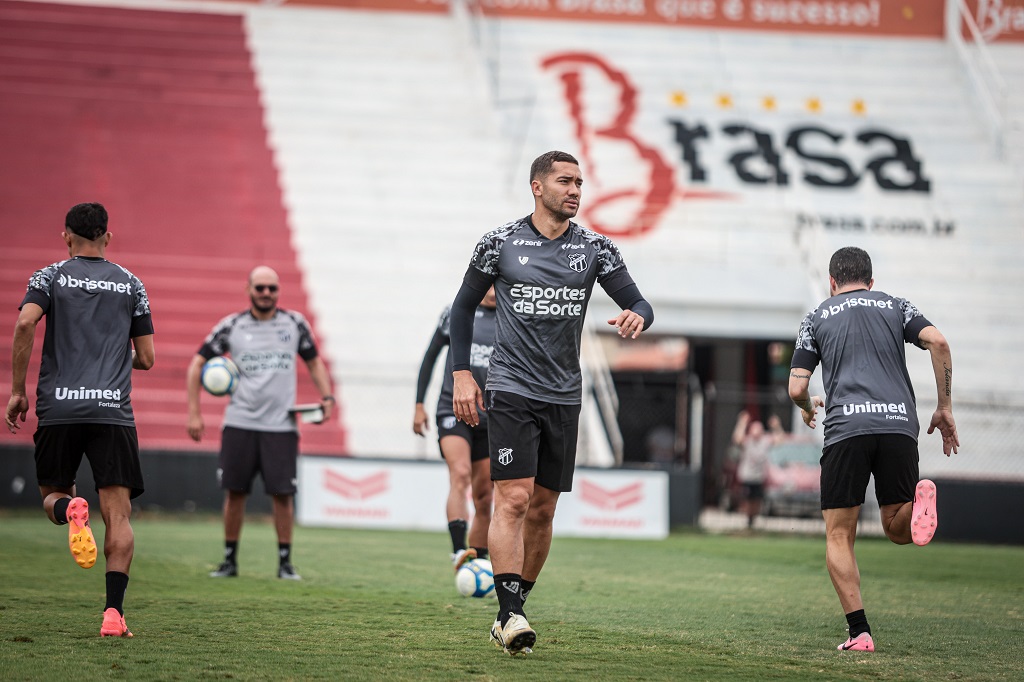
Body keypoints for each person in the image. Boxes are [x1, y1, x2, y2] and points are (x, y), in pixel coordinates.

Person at [449, 150, 654, 655]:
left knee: (543, 510)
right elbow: (462, 307)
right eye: (565, 181)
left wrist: (638, 315)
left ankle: (512, 607)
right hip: (510, 388)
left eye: (579, 182)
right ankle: (510, 614)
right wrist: (462, 374)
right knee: (514, 499)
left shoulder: (595, 247)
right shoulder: (499, 242)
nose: (575, 190)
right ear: (537, 187)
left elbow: (638, 301)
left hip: (563, 394)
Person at [788, 246, 959, 653]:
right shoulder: (896, 306)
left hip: (847, 429)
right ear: (871, 281)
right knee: (897, 528)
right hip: (898, 424)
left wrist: (807, 405)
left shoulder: (816, 317)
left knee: (839, 534)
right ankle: (917, 504)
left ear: (832, 282)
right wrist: (944, 407)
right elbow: (938, 342)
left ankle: (860, 633)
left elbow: (796, 387)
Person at [5, 202, 154, 638]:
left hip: (59, 408)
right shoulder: (131, 283)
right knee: (118, 515)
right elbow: (146, 358)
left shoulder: (48, 277)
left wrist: (18, 391)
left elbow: (25, 324)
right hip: (112, 411)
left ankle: (68, 508)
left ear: (66, 236)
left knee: (52, 495)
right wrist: (114, 356)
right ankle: (113, 615)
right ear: (107, 237)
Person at [186, 266, 334, 581]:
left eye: (272, 288)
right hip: (240, 422)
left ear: (278, 291)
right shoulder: (232, 326)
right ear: (249, 290)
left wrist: (327, 397)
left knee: (282, 495)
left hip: (281, 426)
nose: (266, 293)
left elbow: (313, 362)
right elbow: (197, 364)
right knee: (235, 493)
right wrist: (195, 412)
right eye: (260, 288)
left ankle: (285, 563)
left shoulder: (294, 324)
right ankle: (229, 561)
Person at [413, 287, 497, 571]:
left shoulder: (512, 316)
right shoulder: (455, 312)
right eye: (488, 285)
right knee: (460, 473)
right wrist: (419, 404)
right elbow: (430, 357)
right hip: (453, 410)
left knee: (484, 495)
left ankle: (479, 562)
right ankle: (459, 551)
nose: (493, 292)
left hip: (491, 416)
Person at [729, 410, 773, 528]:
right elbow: (737, 438)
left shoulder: (764, 442)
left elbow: (780, 439)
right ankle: (747, 520)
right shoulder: (748, 441)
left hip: (759, 477)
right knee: (747, 499)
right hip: (747, 476)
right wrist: (742, 423)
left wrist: (776, 426)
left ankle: (753, 520)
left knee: (757, 500)